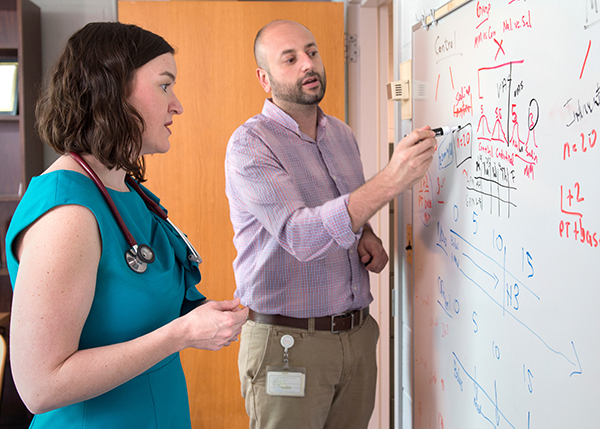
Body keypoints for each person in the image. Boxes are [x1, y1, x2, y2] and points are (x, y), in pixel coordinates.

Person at [5, 22, 248, 428]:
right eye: (164, 86)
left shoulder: (125, 190)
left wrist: (206, 314)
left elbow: (137, 302)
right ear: (112, 89)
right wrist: (182, 334)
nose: (177, 105)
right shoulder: (67, 211)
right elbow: (39, 386)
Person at [224, 19, 437, 429]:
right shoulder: (250, 144)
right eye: (290, 59)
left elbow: (341, 211)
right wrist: (391, 180)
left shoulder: (340, 134)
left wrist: (366, 234)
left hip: (356, 337)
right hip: (289, 344)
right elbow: (300, 234)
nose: (309, 64)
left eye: (312, 52)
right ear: (264, 79)